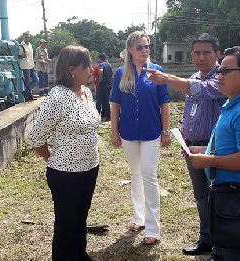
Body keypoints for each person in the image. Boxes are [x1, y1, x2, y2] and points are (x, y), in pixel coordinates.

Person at [147, 33, 226, 257]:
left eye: (206, 53)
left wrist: (167, 78)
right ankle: (206, 239)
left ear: (217, 54)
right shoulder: (193, 77)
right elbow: (191, 110)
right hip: (192, 147)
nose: (201, 57)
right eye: (197, 53)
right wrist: (185, 136)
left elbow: (201, 90)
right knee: (201, 196)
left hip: (214, 150)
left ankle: (221, 245)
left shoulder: (222, 78)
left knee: (218, 197)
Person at [188, 46, 240, 260]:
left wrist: (208, 160)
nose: (219, 76)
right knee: (228, 249)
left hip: (238, 193)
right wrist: (203, 150)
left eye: (225, 71)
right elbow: (231, 146)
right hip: (226, 191)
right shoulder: (233, 103)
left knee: (237, 252)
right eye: (219, 71)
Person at [28, 45, 100, 260]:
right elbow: (36, 137)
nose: (91, 69)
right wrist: (52, 158)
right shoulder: (58, 96)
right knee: (66, 222)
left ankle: (80, 254)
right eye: (86, 65)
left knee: (81, 218)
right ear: (71, 69)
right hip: (66, 173)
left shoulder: (86, 92)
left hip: (90, 167)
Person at [110, 31, 171, 245]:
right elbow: (115, 104)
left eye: (147, 47)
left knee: (149, 175)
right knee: (135, 174)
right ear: (130, 50)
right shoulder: (120, 73)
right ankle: (138, 216)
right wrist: (114, 130)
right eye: (140, 47)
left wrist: (166, 131)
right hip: (128, 132)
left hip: (151, 132)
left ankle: (153, 228)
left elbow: (164, 103)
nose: (145, 51)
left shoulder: (157, 71)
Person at [18, 31, 39, 101]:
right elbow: (18, 56)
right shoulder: (21, 45)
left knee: (36, 79)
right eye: (26, 37)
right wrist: (22, 56)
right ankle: (29, 95)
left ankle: (26, 92)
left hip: (31, 65)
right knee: (27, 82)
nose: (27, 38)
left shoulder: (30, 45)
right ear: (23, 37)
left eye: (28, 37)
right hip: (25, 66)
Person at [96, 53, 113, 121]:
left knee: (99, 101)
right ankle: (108, 116)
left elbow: (101, 71)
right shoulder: (109, 65)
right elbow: (112, 73)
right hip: (108, 85)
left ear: (100, 58)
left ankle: (96, 117)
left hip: (102, 85)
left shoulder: (102, 64)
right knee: (106, 101)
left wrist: (100, 80)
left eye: (98, 58)